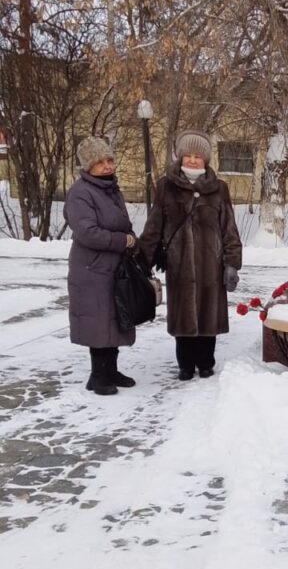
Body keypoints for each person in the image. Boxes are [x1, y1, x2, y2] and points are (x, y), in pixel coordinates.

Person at [138, 130, 242, 380]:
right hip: (179, 264)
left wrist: (232, 264)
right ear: (180, 157)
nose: (193, 160)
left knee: (208, 315)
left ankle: (206, 362)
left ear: (205, 159)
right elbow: (154, 226)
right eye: (188, 155)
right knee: (183, 317)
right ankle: (185, 364)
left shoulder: (219, 189)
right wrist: (142, 260)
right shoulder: (166, 186)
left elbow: (229, 228)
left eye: (198, 156)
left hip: (210, 265)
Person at [64, 136, 138, 396]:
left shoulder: (111, 189)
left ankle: (111, 370)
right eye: (99, 162)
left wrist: (132, 239)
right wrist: (122, 241)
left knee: (114, 319)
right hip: (91, 269)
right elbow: (87, 233)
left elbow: (122, 224)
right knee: (98, 321)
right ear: (88, 166)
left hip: (114, 267)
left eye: (109, 160)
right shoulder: (80, 193)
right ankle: (98, 375)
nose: (107, 166)